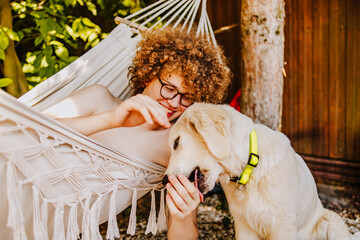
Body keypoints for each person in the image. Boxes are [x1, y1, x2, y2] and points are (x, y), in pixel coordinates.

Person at [44, 27, 232, 239]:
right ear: (148, 76)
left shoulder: (174, 146)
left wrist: (182, 216)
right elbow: (25, 130)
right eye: (169, 88)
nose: (174, 103)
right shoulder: (99, 99)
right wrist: (112, 119)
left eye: (187, 97)